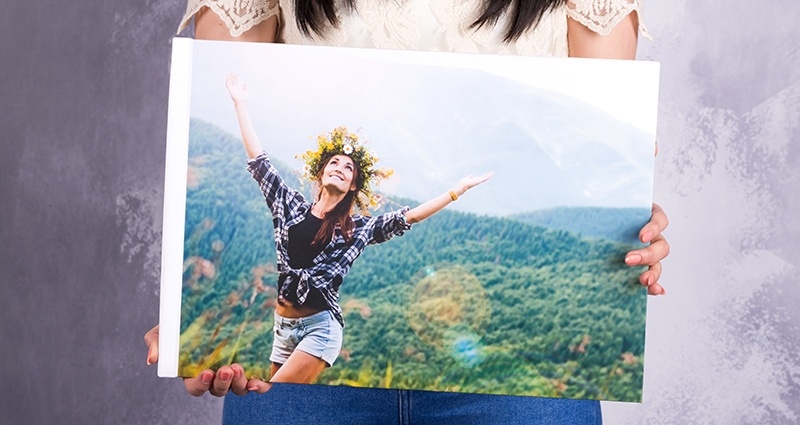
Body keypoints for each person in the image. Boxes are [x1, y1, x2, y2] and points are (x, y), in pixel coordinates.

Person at [145, 0, 671, 423]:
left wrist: (628, 228)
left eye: (349, 169)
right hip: (293, 352)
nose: (339, 170)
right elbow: (241, 154)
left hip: (514, 394)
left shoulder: (358, 228)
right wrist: (190, 328)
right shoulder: (287, 203)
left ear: (355, 186)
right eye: (334, 164)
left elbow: (607, 150)